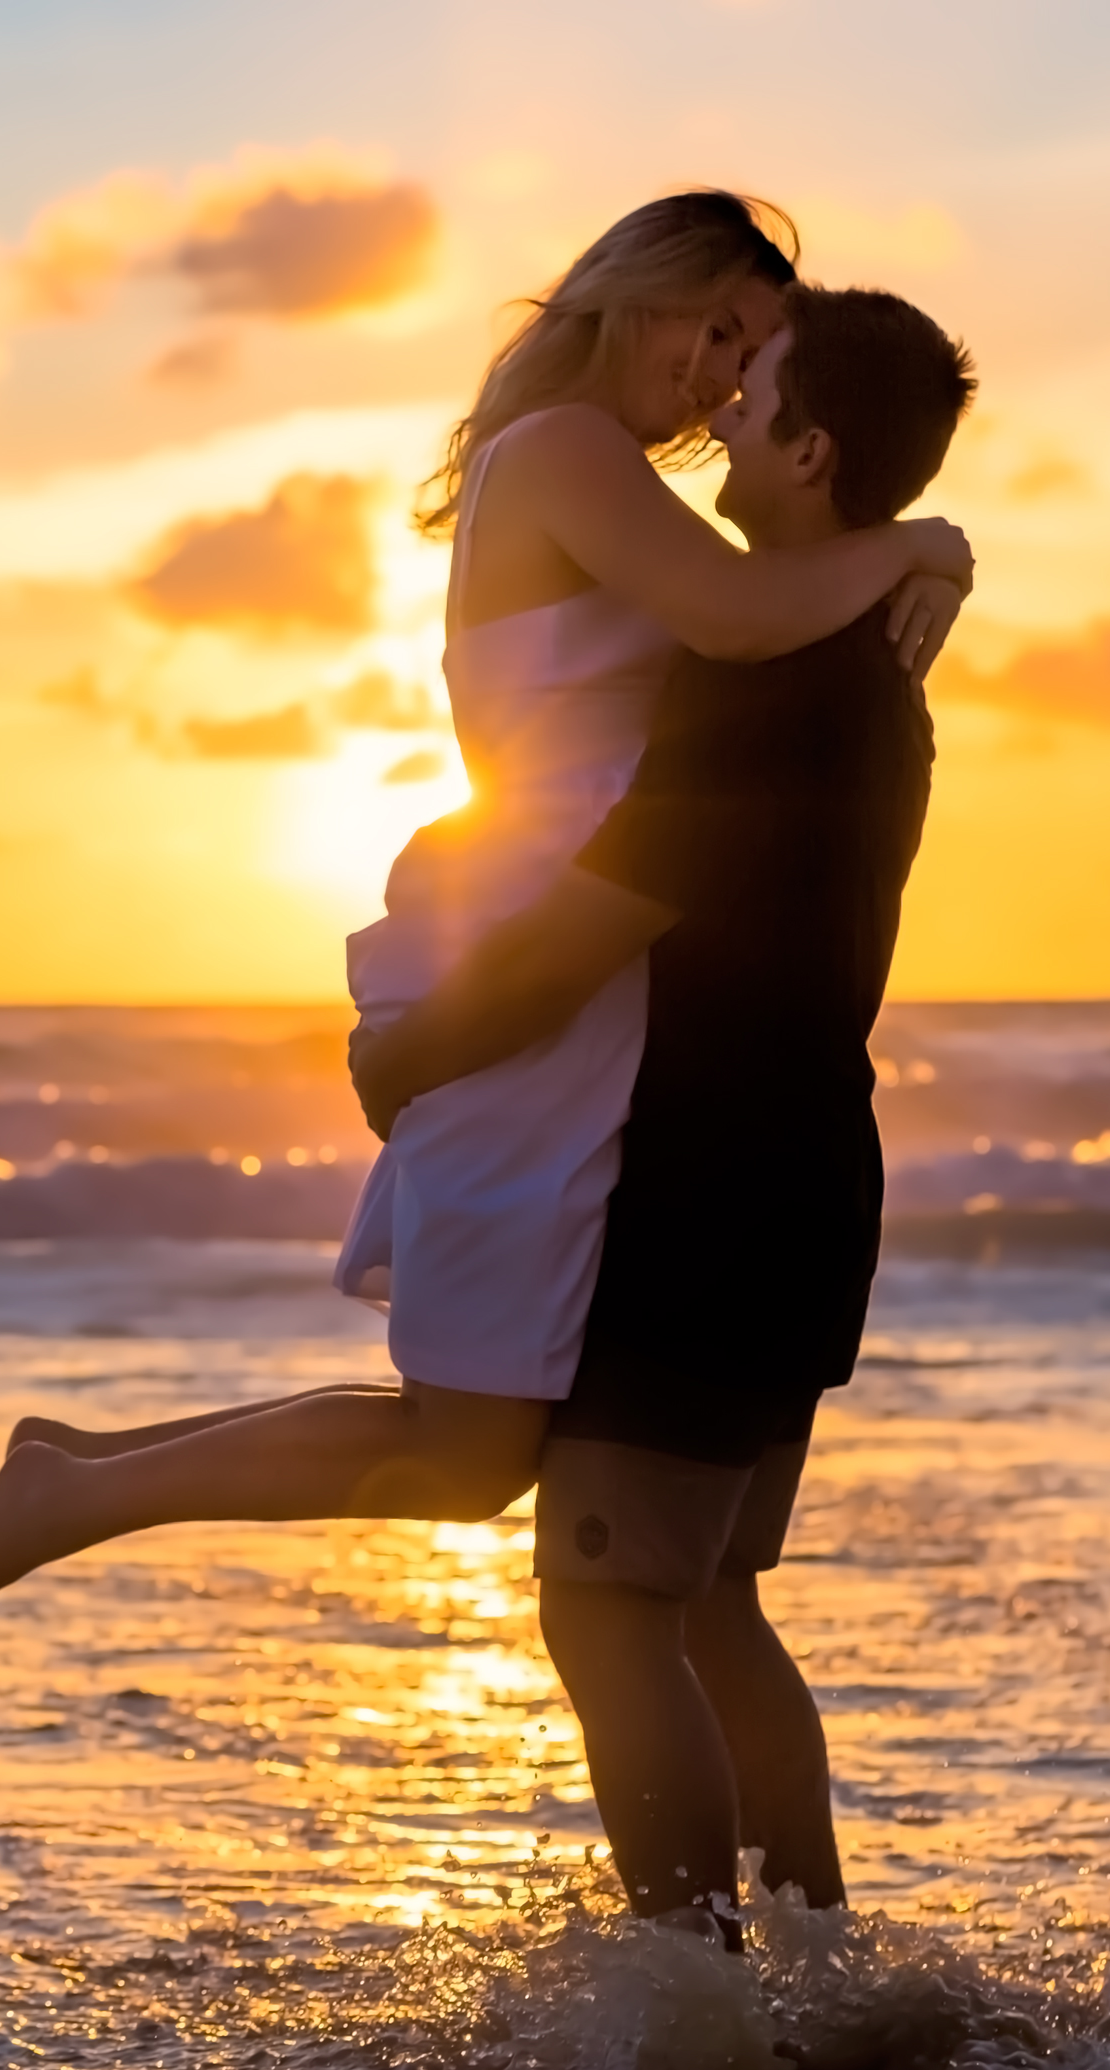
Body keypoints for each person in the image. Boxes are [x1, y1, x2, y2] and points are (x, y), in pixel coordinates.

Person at [0, 196, 967, 1673]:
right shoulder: (568, 455)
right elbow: (739, 617)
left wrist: (911, 564)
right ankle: (74, 1492)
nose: (726, 377)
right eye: (715, 328)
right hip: (551, 954)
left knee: (482, 1442)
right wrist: (922, 540)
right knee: (471, 1442)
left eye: (750, 354)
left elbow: (768, 631)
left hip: (595, 967)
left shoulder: (593, 473)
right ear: (633, 293)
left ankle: (79, 1475)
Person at [347, 283, 975, 1932]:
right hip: (808, 1186)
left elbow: (596, 920)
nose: (718, 422)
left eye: (751, 392)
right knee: (711, 1610)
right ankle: (816, 1993)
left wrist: (409, 1056)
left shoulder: (755, 673)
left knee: (610, 1609)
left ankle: (699, 2012)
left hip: (712, 1195)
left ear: (812, 446)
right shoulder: (864, 656)